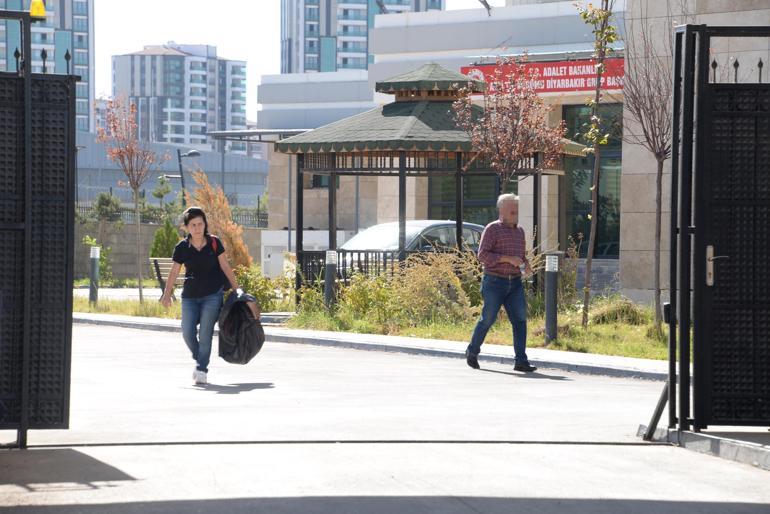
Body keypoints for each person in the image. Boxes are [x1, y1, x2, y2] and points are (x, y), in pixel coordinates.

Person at [160, 207, 241, 385]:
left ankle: (202, 369)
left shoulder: (214, 243)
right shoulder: (182, 248)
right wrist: (166, 294)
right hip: (190, 296)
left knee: (205, 334)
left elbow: (226, 267)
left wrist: (238, 290)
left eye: (200, 224)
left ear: (205, 224)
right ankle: (200, 359)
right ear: (187, 227)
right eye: (193, 225)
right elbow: (174, 272)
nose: (197, 228)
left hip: (212, 295)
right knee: (187, 332)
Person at [466, 194, 537, 372]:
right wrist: (506, 259)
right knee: (488, 319)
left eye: (517, 208)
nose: (515, 211)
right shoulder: (492, 229)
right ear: (501, 210)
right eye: (511, 208)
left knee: (520, 321)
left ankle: (521, 361)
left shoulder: (519, 231)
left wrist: (525, 266)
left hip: (515, 283)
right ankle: (472, 351)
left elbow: (520, 257)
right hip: (494, 282)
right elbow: (482, 256)